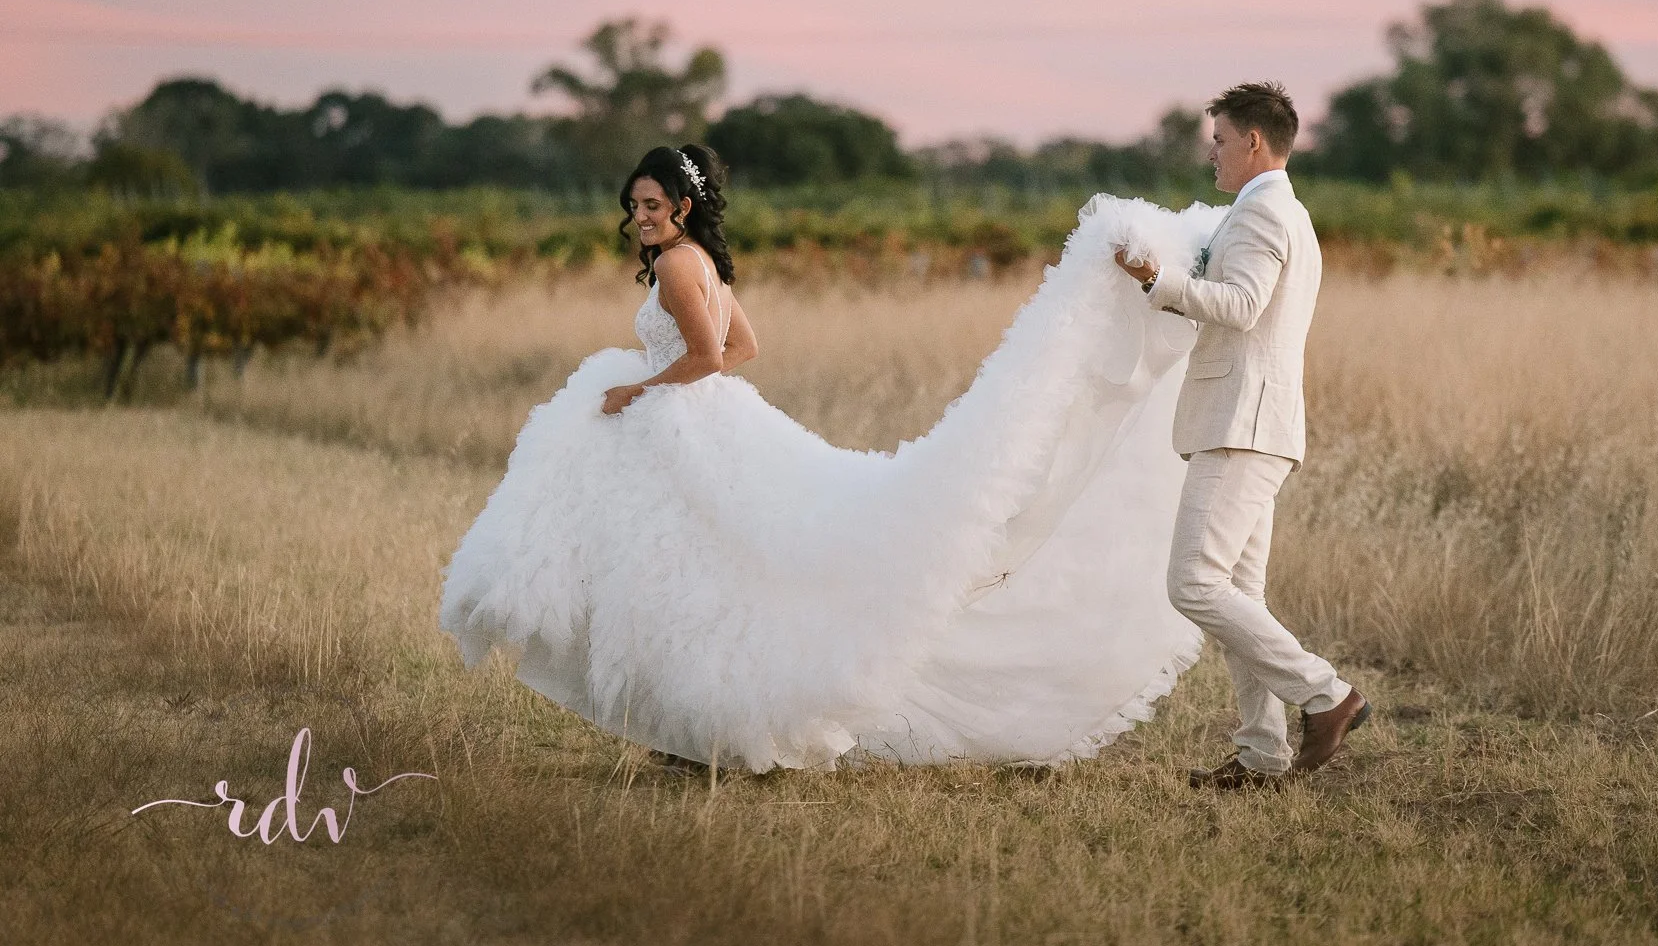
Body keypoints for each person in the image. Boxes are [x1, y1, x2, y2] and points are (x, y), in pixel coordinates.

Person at [440, 143, 1226, 771]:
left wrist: (638, 390)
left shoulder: (680, 265)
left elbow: (713, 354)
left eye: (650, 205)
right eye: (633, 207)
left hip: (682, 419)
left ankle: (699, 718)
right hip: (709, 422)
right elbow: (747, 343)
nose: (639, 217)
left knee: (693, 570)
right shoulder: (704, 262)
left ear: (681, 207)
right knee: (711, 568)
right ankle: (692, 721)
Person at [1115, 83, 1368, 790]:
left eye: (1220, 141)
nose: (1213, 155)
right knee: (1239, 597)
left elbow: (1243, 305)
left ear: (1255, 140)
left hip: (1242, 425)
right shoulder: (1282, 211)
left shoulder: (1261, 214)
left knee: (1193, 583)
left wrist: (1159, 281)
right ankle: (1262, 755)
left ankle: (1327, 695)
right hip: (1256, 422)